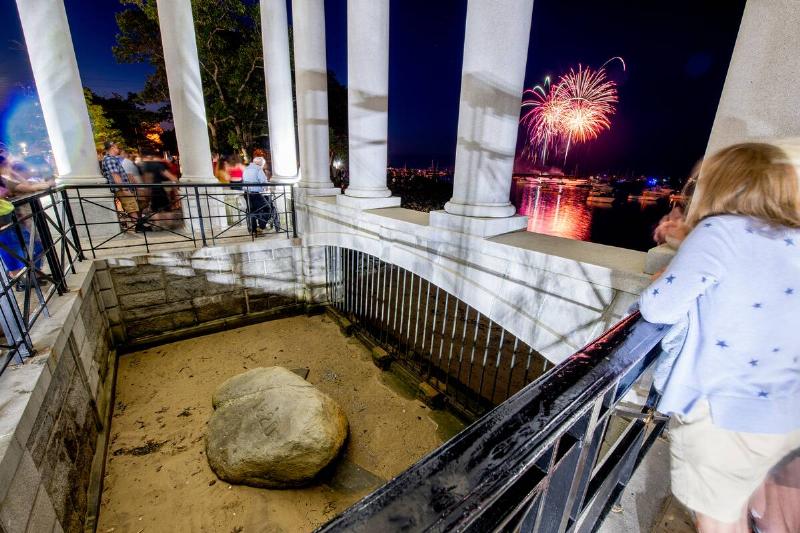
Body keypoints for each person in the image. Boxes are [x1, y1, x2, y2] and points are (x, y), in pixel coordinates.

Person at [639, 142, 800, 532]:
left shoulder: (719, 231)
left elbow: (658, 307)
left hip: (722, 415)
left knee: (718, 521)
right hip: (784, 410)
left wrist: (673, 271)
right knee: (761, 510)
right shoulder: (792, 238)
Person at [100, 141, 148, 232]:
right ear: (112, 147)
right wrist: (124, 188)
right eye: (116, 147)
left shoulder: (112, 159)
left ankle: (139, 225)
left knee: (132, 205)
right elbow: (115, 175)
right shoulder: (109, 159)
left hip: (122, 187)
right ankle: (139, 226)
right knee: (131, 206)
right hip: (121, 188)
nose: (118, 148)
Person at [242, 156, 270, 234]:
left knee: (252, 211)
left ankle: (253, 230)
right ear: (260, 164)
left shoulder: (246, 168)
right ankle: (261, 227)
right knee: (267, 208)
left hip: (246, 193)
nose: (262, 166)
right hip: (255, 194)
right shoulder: (258, 169)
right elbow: (264, 182)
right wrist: (266, 188)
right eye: (262, 165)